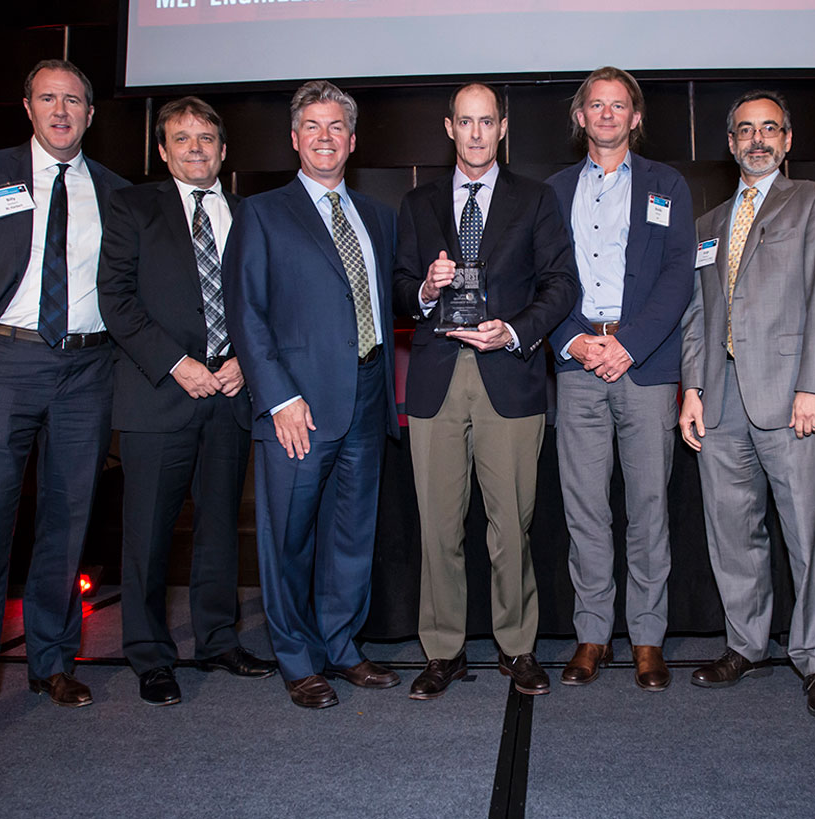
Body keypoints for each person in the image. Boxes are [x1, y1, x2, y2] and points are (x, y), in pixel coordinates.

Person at [0, 59, 128, 751]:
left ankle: (51, 663)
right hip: (2, 363)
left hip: (86, 367)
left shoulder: (116, 191)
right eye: (49, 98)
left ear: (92, 114)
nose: (62, 110)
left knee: (67, 525)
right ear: (28, 106)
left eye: (75, 100)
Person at [394, 82, 577, 700]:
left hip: (510, 377)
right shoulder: (417, 202)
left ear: (503, 128)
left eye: (486, 122)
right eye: (464, 123)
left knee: (511, 527)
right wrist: (424, 287)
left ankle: (517, 647)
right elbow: (398, 286)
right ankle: (443, 651)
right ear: (449, 128)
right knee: (439, 528)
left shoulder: (537, 199)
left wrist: (516, 332)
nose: (475, 134)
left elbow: (560, 285)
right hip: (437, 381)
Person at [222, 80, 400, 709]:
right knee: (288, 537)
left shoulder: (378, 215)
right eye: (313, 127)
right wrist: (277, 397)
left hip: (368, 393)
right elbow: (245, 313)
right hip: (297, 404)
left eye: (336, 128)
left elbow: (390, 302)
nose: (325, 138)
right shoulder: (262, 212)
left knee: (352, 534)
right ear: (295, 139)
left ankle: (342, 647)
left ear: (352, 141)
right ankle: (296, 659)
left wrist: (429, 292)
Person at [98, 96, 277, 707]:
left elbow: (265, 300)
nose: (196, 148)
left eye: (206, 139)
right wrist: (179, 366)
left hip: (229, 394)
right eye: (182, 139)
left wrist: (241, 364)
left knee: (220, 527)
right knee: (148, 535)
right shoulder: (132, 206)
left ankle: (218, 640)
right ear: (162, 150)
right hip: (160, 396)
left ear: (224, 152)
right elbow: (115, 300)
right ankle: (150, 655)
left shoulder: (250, 214)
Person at [679, 90, 815, 719]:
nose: (757, 140)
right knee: (732, 534)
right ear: (729, 143)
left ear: (787, 140)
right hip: (721, 402)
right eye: (745, 131)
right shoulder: (707, 224)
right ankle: (745, 644)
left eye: (769, 129)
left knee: (810, 535)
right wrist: (692, 390)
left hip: (792, 398)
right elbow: (697, 316)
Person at [545, 67, 695, 691]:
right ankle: (592, 635)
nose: (607, 114)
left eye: (619, 105)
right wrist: (577, 340)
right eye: (595, 105)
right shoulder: (550, 191)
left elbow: (678, 278)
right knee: (584, 511)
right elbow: (540, 280)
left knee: (649, 509)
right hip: (577, 365)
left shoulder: (669, 186)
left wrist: (626, 346)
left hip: (646, 366)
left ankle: (649, 639)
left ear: (636, 117)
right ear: (579, 117)